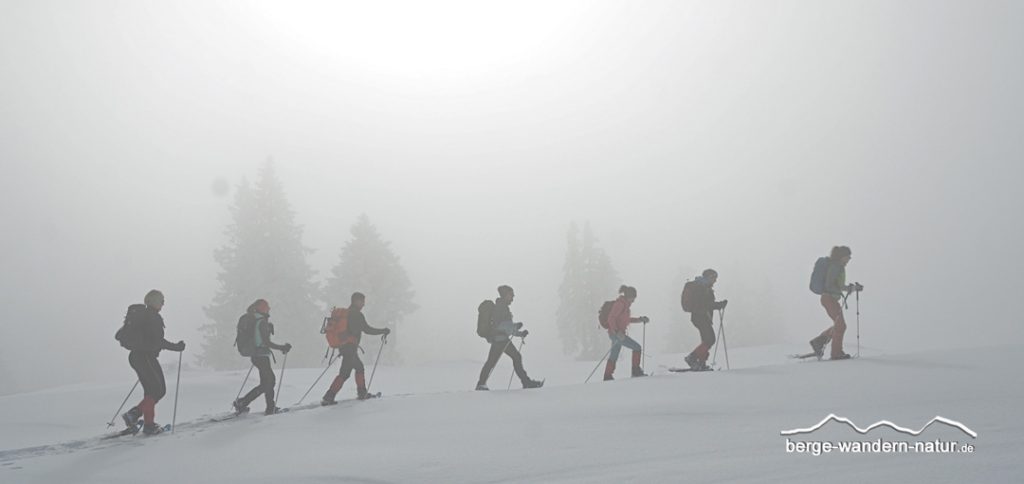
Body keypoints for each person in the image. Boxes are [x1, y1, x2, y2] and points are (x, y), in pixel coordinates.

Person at [120, 290, 185, 435]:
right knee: (159, 390)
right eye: (161, 301)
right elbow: (158, 341)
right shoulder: (152, 317)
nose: (163, 304)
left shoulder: (142, 316)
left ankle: (149, 424)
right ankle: (134, 415)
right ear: (155, 302)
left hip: (136, 357)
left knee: (150, 392)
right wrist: (177, 347)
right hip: (145, 357)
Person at [321, 292, 391, 404]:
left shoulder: (347, 314)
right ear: (356, 301)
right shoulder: (356, 315)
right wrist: (383, 331)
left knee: (358, 368)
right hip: (350, 348)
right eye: (362, 301)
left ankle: (360, 393)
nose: (363, 304)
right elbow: (367, 329)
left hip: (345, 347)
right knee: (345, 373)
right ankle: (329, 397)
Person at [476, 285, 543, 391]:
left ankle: (481, 384)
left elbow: (506, 327)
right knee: (510, 358)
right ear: (505, 295)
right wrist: (516, 327)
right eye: (511, 295)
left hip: (501, 340)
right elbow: (501, 325)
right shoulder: (500, 307)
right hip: (500, 340)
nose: (512, 297)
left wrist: (520, 333)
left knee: (506, 359)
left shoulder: (502, 307)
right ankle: (526, 382)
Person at [232, 299, 291, 415]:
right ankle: (262, 406)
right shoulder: (261, 321)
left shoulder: (254, 318)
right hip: (261, 356)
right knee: (270, 381)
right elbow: (266, 343)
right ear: (261, 307)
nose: (269, 308)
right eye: (266, 306)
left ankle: (248, 403)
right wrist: (282, 348)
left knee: (266, 382)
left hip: (256, 355)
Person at [809, 246, 862, 360]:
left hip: (830, 299)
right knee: (841, 326)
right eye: (848, 256)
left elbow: (837, 285)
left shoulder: (839, 267)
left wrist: (852, 288)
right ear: (842, 257)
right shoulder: (836, 267)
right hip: (829, 299)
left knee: (840, 325)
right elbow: (830, 285)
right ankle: (836, 353)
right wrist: (847, 289)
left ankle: (819, 341)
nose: (849, 259)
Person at [682, 270, 728, 371]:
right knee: (710, 339)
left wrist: (717, 305)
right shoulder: (701, 288)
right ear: (708, 277)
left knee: (706, 340)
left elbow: (706, 303)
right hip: (700, 317)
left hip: (701, 317)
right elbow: (705, 304)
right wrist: (718, 305)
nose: (715, 280)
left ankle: (701, 363)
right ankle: (692, 358)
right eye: (714, 278)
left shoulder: (704, 287)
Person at [604, 285, 650, 380]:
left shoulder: (625, 305)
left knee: (614, 355)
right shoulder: (620, 304)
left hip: (616, 334)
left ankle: (607, 376)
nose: (634, 300)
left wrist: (640, 319)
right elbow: (611, 318)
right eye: (633, 298)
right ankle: (635, 371)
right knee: (637, 347)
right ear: (629, 296)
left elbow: (625, 320)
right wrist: (617, 332)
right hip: (616, 334)